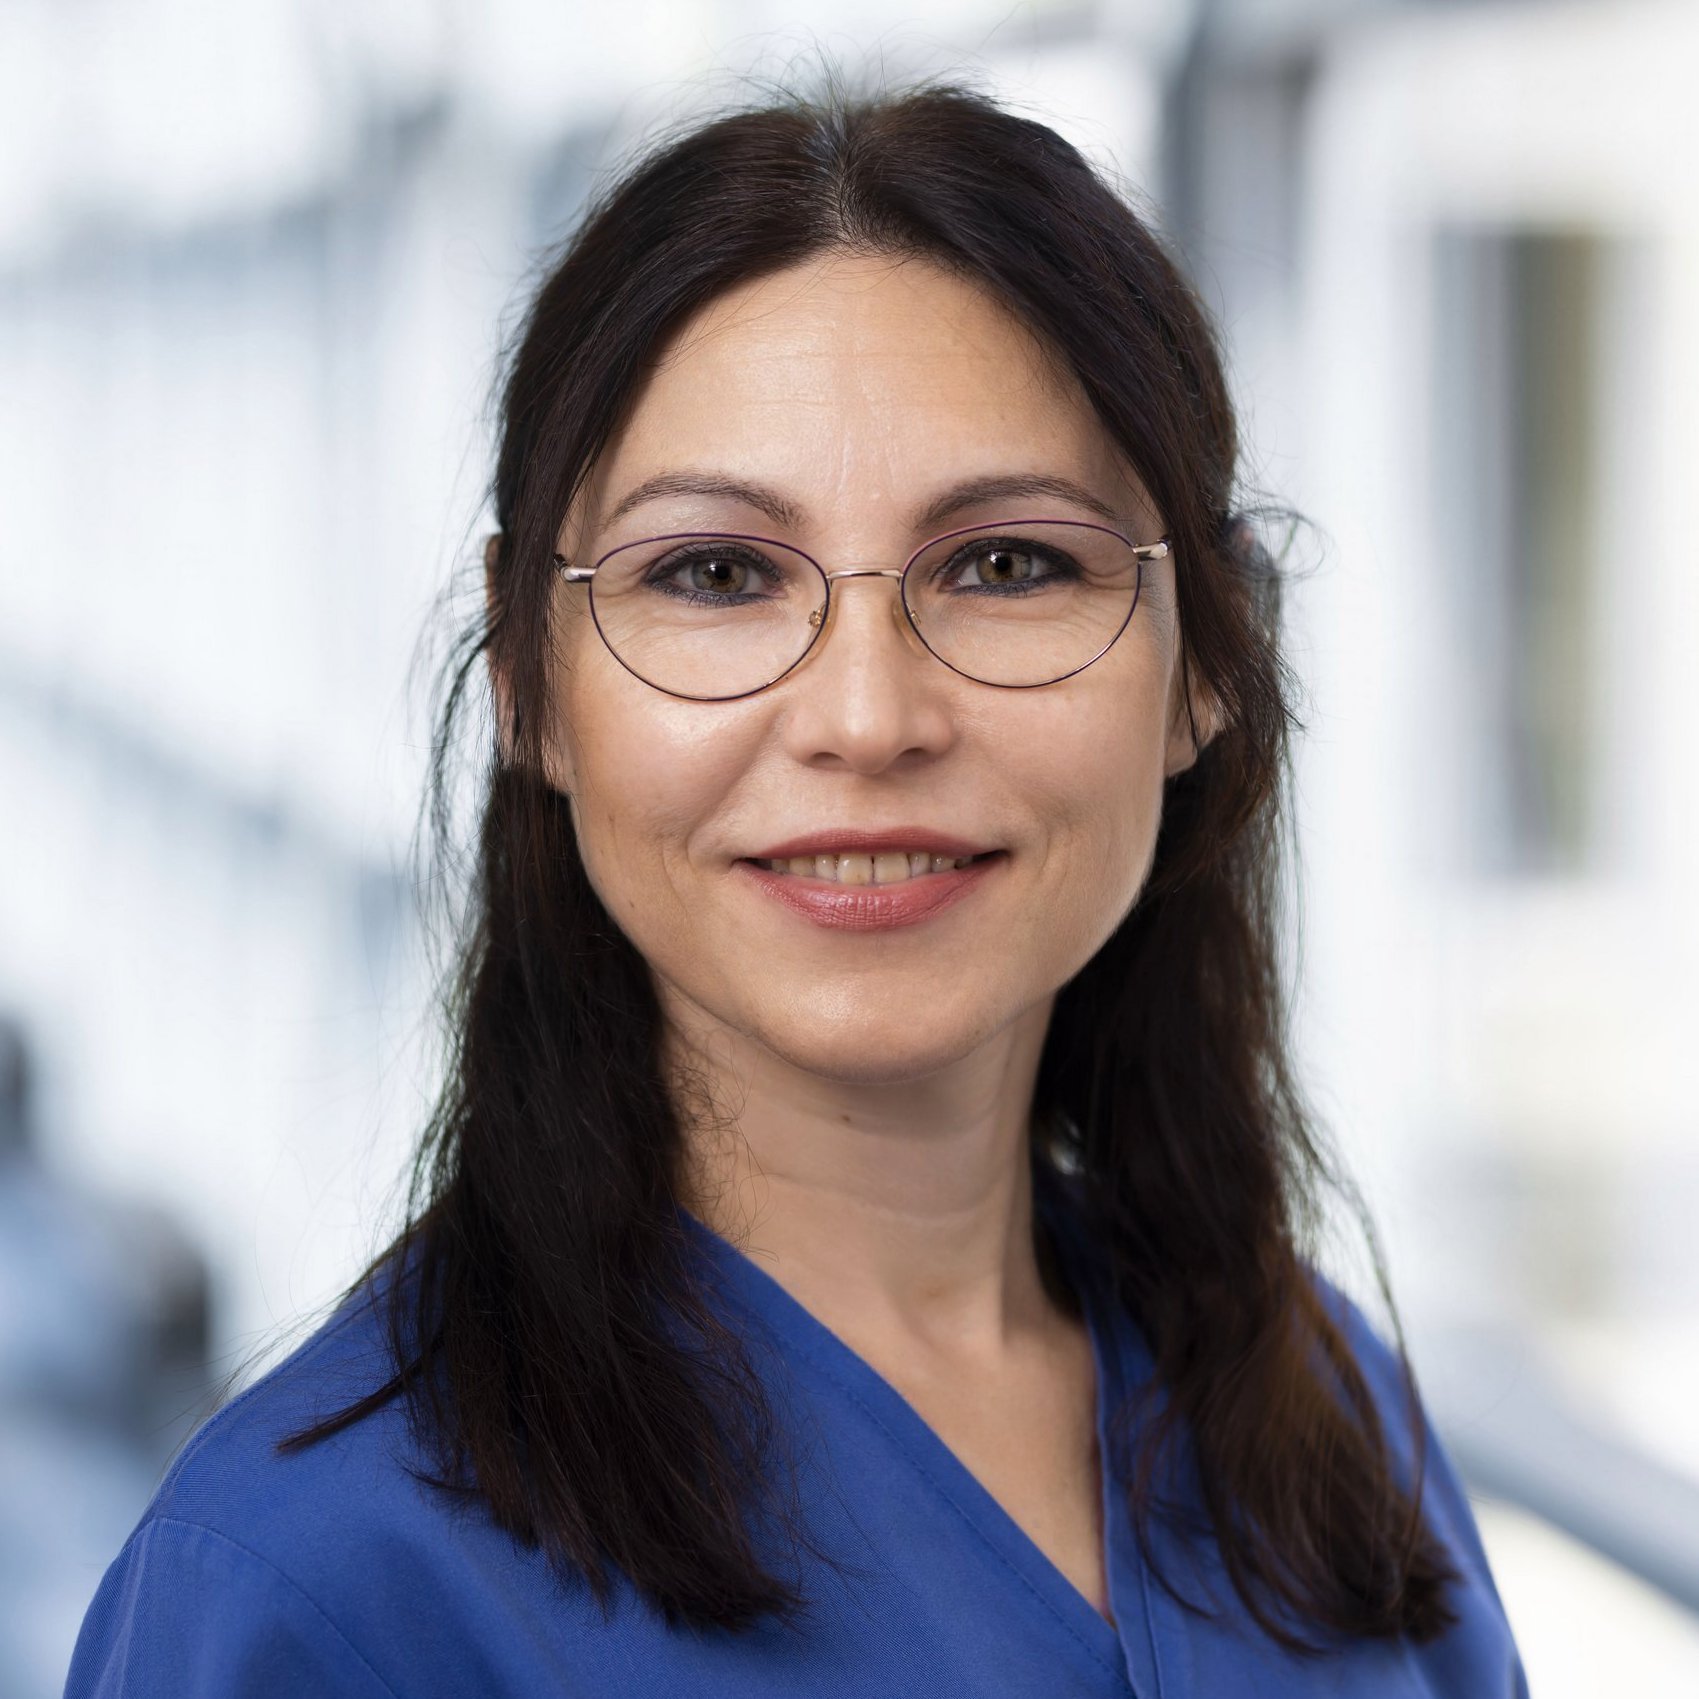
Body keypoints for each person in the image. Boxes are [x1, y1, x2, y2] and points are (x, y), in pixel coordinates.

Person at [65, 75, 1530, 1697]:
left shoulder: (1321, 1416)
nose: (866, 719)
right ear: (531, 683)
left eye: (1008, 564)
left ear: (1207, 664)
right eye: (714, 576)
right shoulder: (318, 1588)